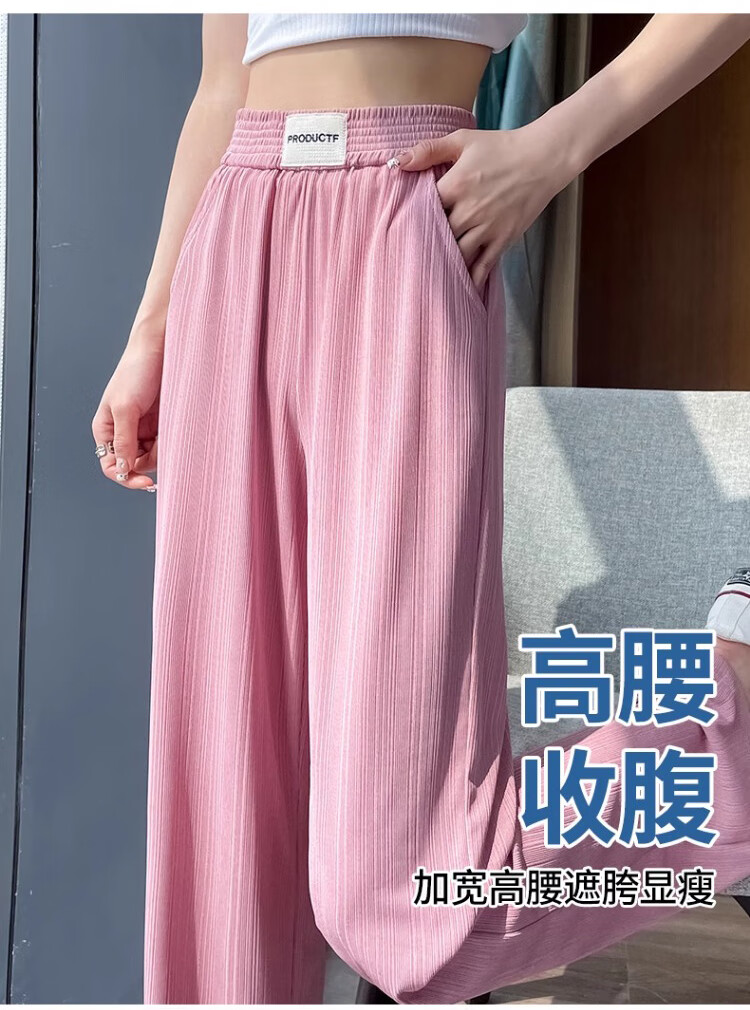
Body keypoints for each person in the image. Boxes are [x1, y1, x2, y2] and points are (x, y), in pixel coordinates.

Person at [91, 14, 750, 1005]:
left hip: (404, 219)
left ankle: (733, 723)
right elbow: (223, 84)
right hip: (233, 236)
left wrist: (551, 150)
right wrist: (154, 328)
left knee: (407, 890)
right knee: (219, 836)